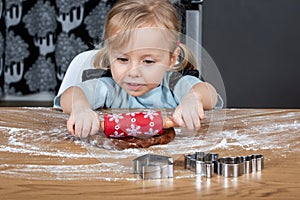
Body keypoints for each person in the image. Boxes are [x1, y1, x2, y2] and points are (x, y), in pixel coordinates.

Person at [54, 0, 223, 138]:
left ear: (171, 59)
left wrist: (193, 99)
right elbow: (71, 94)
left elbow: (208, 93)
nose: (133, 72)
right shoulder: (110, 87)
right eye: (122, 59)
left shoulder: (173, 83)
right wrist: (80, 107)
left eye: (148, 61)